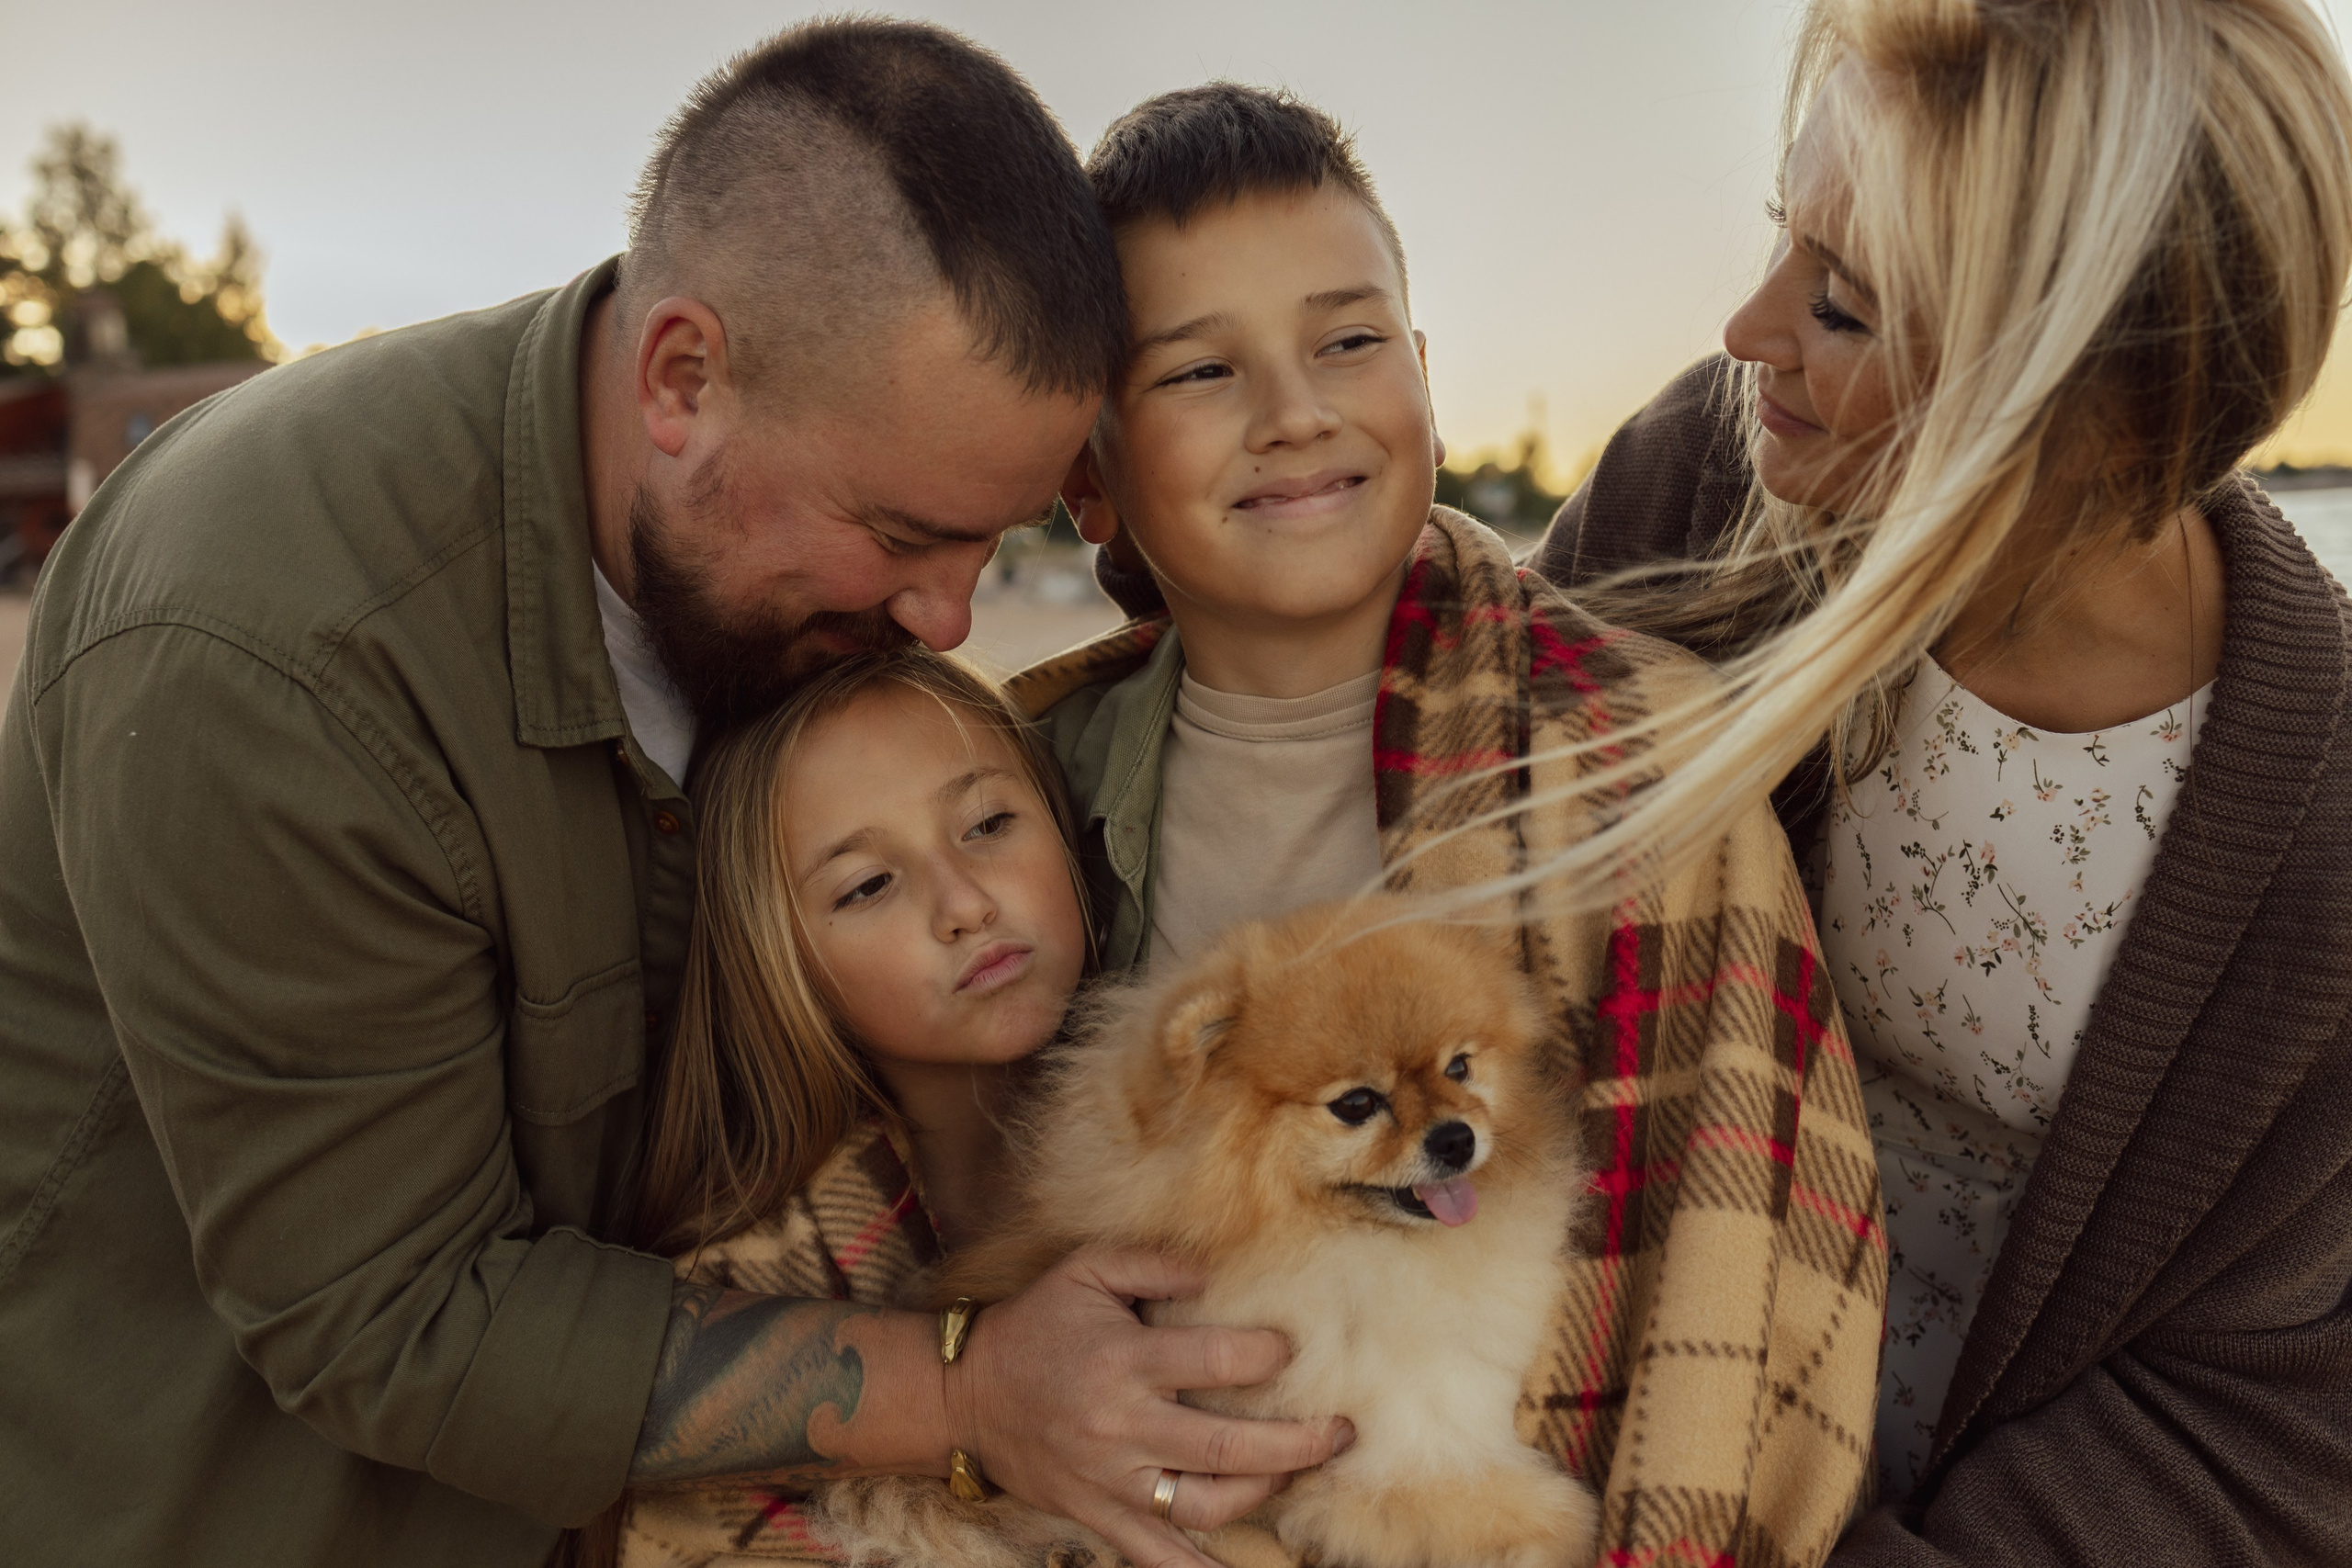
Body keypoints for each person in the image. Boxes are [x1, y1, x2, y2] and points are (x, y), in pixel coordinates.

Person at [0, 22, 1343, 1568]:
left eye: (988, 542)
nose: (950, 619)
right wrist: (970, 1389)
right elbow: (390, 1316)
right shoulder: (263, 647)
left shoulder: (762, 543)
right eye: (904, 532)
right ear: (679, 374)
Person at [1530, 1, 2352, 1562]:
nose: (1745, 331)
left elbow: (2267, 1417)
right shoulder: (1705, 486)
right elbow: (1438, 816)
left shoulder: (2325, 850)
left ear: (2099, 409)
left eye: (1842, 306)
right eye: (1788, 230)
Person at [1024, 85, 1885, 1568]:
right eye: (1201, 370)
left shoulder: (1641, 749)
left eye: (1348, 341)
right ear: (1088, 475)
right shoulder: (1021, 786)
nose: (1296, 410)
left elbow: (1748, 1255)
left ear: (1421, 376)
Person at [583, 648, 1098, 1565]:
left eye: (987, 823)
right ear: (778, 968)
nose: (964, 905)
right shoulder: (737, 1302)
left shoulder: (1222, 1135)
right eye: (865, 885)